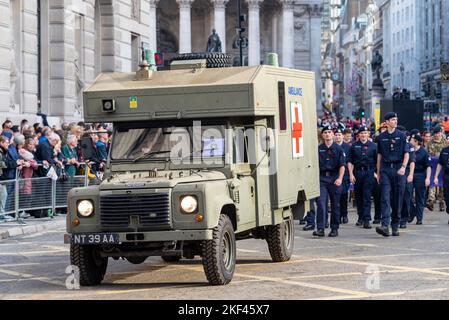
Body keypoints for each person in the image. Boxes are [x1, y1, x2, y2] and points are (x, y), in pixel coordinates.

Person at [376, 112, 410, 237]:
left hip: (398, 169)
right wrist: (378, 172)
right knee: (385, 197)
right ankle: (385, 225)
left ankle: (395, 224)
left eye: (396, 119)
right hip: (385, 169)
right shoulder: (380, 137)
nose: (395, 121)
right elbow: (379, 156)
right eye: (393, 119)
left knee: (397, 198)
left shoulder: (401, 136)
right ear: (386, 122)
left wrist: (403, 167)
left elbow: (406, 153)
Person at [314, 125, 346, 237]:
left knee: (335, 205)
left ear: (332, 134)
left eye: (329, 132)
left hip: (334, 178)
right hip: (322, 179)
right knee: (321, 203)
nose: (327, 134)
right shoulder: (319, 149)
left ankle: (334, 228)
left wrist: (340, 179)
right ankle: (320, 228)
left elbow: (342, 165)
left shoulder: (338, 149)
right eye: (325, 132)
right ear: (322, 135)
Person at [348, 126, 377, 229]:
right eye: (361, 133)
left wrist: (376, 174)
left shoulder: (373, 146)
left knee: (367, 196)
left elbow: (377, 161)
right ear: (358, 135)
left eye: (365, 133)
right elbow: (350, 161)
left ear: (368, 134)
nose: (363, 135)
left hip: (369, 172)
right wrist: (351, 174)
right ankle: (360, 216)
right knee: (359, 197)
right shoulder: (354, 146)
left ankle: (367, 219)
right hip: (358, 172)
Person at [406, 134, 431, 225]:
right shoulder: (408, 150)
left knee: (420, 197)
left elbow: (428, 166)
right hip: (409, 174)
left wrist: (428, 178)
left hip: (420, 175)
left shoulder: (423, 152)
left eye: (411, 140)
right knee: (407, 194)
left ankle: (419, 218)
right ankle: (412, 212)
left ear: (416, 142)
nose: (410, 141)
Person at [427, 126, 448, 212]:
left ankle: (441, 202)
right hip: (433, 165)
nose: (437, 135)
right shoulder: (430, 142)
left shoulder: (445, 142)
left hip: (442, 165)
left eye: (439, 133)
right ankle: (431, 201)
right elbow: (430, 153)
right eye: (436, 133)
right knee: (432, 182)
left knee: (442, 184)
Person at [398, 127, 416, 229]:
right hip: (396, 172)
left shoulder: (410, 146)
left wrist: (411, 175)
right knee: (396, 196)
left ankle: (403, 218)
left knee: (406, 196)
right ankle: (398, 216)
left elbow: (412, 161)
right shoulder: (395, 145)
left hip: (407, 171)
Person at [334, 128, 351, 224]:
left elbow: (349, 161)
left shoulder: (347, 147)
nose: (338, 137)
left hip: (345, 175)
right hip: (334, 174)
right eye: (336, 135)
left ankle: (344, 214)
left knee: (344, 196)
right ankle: (337, 215)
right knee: (336, 196)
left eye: (339, 135)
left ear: (342, 136)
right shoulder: (331, 146)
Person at [434, 143, 449, 225]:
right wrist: (436, 176)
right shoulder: (444, 151)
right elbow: (440, 164)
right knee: (447, 197)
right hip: (447, 176)